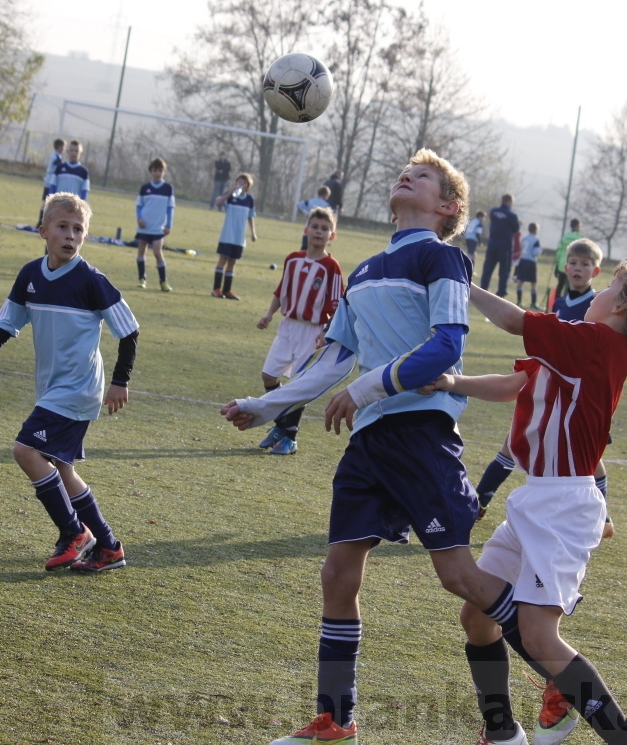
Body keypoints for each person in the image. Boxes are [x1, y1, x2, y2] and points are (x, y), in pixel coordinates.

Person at [221, 150, 531, 745]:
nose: (407, 176)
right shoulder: (362, 271)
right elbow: (333, 360)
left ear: (448, 207)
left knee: (459, 577)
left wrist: (368, 388)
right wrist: (266, 405)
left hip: (420, 435)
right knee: (338, 575)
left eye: (426, 176)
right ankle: (336, 718)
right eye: (406, 170)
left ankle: (535, 686)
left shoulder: (442, 257)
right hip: (367, 444)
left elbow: (445, 349)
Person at [430, 239, 627, 745]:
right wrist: (450, 382)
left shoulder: (598, 343)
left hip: (563, 506)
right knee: (477, 617)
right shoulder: (579, 348)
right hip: (538, 498)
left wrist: (460, 282)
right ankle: (502, 732)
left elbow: (515, 321)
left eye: (611, 285)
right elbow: (515, 384)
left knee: (541, 636)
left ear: (624, 304)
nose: (601, 289)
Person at [0, 192, 140, 573]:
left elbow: (129, 331)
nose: (70, 235)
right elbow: (9, 319)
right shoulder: (31, 275)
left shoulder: (91, 281)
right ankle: (109, 547)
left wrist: (120, 381)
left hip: (79, 387)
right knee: (61, 468)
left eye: (78, 229)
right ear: (43, 230)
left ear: (85, 237)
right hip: (52, 387)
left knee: (25, 451)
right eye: (62, 227)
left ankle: (73, 533)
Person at [474, 236, 615, 541]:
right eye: (574, 263)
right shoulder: (560, 301)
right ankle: (479, 502)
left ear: (596, 271)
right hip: (547, 381)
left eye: (585, 264)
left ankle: (602, 516)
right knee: (513, 442)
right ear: (565, 267)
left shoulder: (597, 305)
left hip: (575, 393)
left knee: (590, 459)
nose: (578, 269)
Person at [255, 207, 343, 456]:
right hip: (288, 327)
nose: (319, 231)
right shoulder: (293, 259)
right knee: (269, 376)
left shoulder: (331, 266)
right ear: (306, 230)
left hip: (312, 330)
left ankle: (290, 437)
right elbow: (281, 289)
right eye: (315, 226)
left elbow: (338, 303)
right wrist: (269, 314)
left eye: (324, 228)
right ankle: (281, 426)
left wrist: (327, 331)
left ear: (332, 235)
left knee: (300, 383)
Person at [212, 172, 258, 300]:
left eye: (243, 183)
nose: (240, 185)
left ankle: (227, 290)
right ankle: (216, 289)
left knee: (232, 263)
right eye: (238, 182)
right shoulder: (230, 197)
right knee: (222, 261)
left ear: (248, 186)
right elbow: (218, 203)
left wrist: (253, 233)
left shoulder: (249, 200)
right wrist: (229, 193)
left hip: (239, 238)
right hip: (227, 236)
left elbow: (251, 216)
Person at [135, 157, 175, 292]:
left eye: (160, 170)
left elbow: (170, 208)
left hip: (158, 227)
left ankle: (163, 282)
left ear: (164, 172)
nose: (157, 173)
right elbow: (139, 206)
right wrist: (139, 218)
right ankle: (142, 279)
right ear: (151, 171)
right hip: (144, 226)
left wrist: (169, 225)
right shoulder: (145, 188)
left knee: (158, 252)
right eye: (155, 170)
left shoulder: (168, 188)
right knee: (141, 252)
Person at [480, 193, 519, 297]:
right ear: (510, 202)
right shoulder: (512, 215)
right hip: (505, 246)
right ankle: (501, 292)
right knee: (504, 271)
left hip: (492, 244)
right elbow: (516, 228)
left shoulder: (493, 211)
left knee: (487, 268)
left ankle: (483, 289)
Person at [514, 221, 543, 308]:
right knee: (533, 283)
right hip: (531, 262)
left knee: (520, 282)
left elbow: (520, 248)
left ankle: (519, 301)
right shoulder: (536, 240)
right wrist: (541, 250)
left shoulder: (524, 238)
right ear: (536, 230)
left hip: (523, 261)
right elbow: (536, 252)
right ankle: (533, 303)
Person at [38, 138, 65, 226]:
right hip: (50, 182)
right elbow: (58, 165)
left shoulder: (58, 156)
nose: (64, 149)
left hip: (53, 182)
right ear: (59, 147)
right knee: (47, 202)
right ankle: (40, 221)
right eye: (63, 146)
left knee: (51, 202)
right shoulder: (55, 157)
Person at [296, 185, 332, 250]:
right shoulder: (326, 205)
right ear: (326, 195)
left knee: (304, 247)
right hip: (320, 230)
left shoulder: (310, 201)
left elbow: (299, 205)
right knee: (316, 249)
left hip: (309, 226)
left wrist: (306, 214)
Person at [553, 218, 583, 298]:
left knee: (560, 285)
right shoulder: (580, 238)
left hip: (562, 264)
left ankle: (556, 303)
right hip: (573, 265)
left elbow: (559, 251)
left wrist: (557, 264)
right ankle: (567, 303)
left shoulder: (565, 237)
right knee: (570, 286)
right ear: (577, 226)